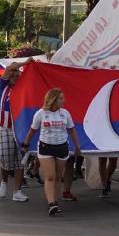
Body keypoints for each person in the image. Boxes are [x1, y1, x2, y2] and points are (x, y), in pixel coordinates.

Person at [22, 87, 82, 216]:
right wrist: (26, 143)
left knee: (58, 177)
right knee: (50, 176)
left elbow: (72, 130)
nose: (63, 100)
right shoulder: (41, 113)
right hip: (46, 147)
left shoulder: (65, 113)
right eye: (61, 98)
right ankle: (51, 204)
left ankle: (55, 201)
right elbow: (33, 130)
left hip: (62, 147)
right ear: (53, 99)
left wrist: (77, 146)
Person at [0, 62, 27, 202]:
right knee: (6, 158)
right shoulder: (3, 86)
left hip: (21, 129)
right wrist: (26, 62)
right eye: (12, 74)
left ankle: (17, 191)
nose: (14, 75)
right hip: (5, 127)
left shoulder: (24, 89)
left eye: (17, 73)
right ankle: (4, 181)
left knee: (20, 162)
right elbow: (8, 68)